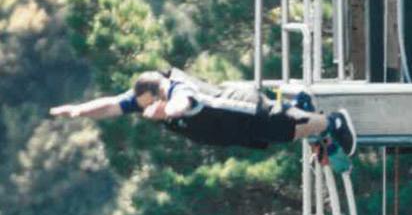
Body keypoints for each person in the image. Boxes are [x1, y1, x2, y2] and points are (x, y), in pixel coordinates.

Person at [50, 69, 357, 156]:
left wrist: (165, 112)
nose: (142, 110)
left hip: (240, 110)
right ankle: (305, 112)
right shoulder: (147, 94)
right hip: (228, 128)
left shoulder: (177, 91)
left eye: (148, 104)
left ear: (157, 95)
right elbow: (112, 105)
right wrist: (78, 111)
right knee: (279, 136)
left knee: (282, 126)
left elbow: (183, 104)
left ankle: (331, 122)